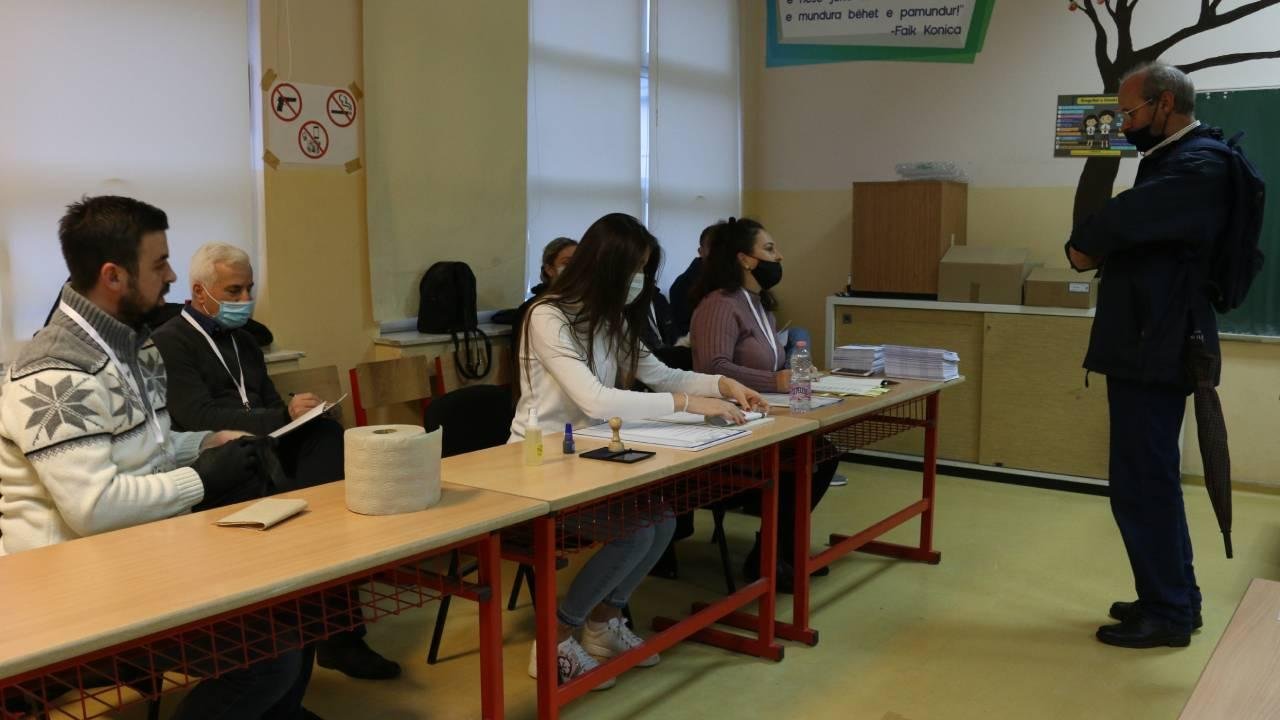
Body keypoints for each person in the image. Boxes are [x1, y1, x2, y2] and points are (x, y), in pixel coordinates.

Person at [0, 196, 314, 718]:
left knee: (292, 604)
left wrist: (212, 442)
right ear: (114, 276)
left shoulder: (135, 347)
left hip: (140, 558)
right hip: (66, 590)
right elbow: (94, 507)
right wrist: (201, 479)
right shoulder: (53, 374)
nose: (171, 276)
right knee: (268, 657)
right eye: (160, 263)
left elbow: (154, 449)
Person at [513, 212, 766, 687]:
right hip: (540, 460)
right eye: (634, 270)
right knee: (633, 531)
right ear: (605, 265)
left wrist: (721, 384)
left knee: (663, 520)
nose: (639, 281)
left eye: (644, 271)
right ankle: (555, 638)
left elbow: (661, 374)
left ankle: (603, 623)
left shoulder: (608, 318)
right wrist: (688, 403)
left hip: (591, 452)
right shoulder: (548, 316)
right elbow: (595, 398)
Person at [151, 243, 400, 680]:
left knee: (326, 436)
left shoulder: (245, 341)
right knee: (307, 513)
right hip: (219, 458)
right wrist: (281, 415)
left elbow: (265, 402)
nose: (245, 299)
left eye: (249, 288)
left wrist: (300, 412)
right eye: (234, 290)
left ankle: (335, 595)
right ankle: (332, 621)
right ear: (200, 292)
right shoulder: (170, 342)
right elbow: (197, 417)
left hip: (265, 445)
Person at [1066, 63, 1233, 649]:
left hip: (1156, 348)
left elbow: (1105, 231)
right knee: (1147, 480)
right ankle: (1172, 598)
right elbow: (1116, 232)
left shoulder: (1200, 164)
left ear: (1164, 104)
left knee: (1143, 483)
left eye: (1129, 113)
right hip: (1147, 342)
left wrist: (1089, 241)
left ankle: (1169, 613)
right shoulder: (1173, 161)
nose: (1123, 125)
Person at [689, 217, 837, 591]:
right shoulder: (719, 304)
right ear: (744, 259)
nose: (779, 256)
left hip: (763, 414)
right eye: (769, 249)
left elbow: (771, 365)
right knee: (801, 459)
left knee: (822, 453)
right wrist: (776, 381)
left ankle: (778, 547)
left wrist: (795, 374)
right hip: (726, 425)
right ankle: (772, 553)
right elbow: (713, 368)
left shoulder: (759, 305)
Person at [667, 223, 715, 341]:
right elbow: (684, 334)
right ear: (700, 251)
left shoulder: (732, 280)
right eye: (713, 247)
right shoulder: (683, 285)